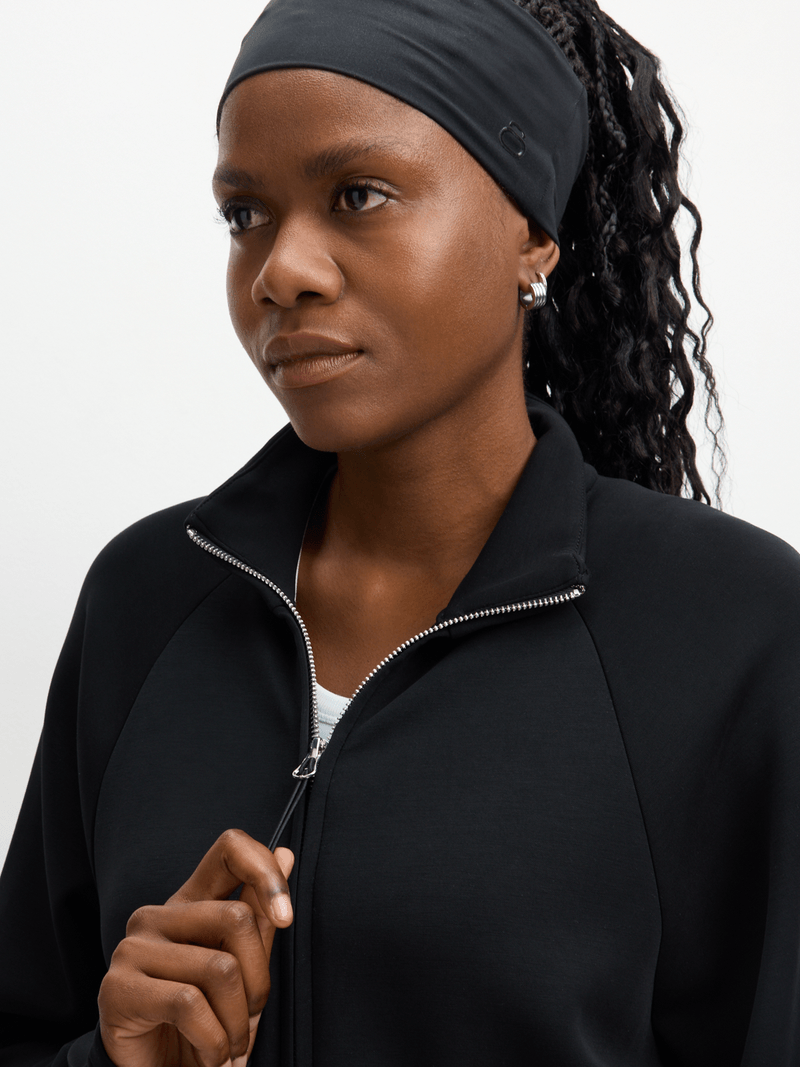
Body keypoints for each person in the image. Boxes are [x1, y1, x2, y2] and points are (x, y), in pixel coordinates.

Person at [1, 0, 799, 1064]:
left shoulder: (727, 630)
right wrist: (115, 1056)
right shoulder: (147, 598)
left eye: (358, 196)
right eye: (245, 214)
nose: (281, 270)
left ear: (531, 233)